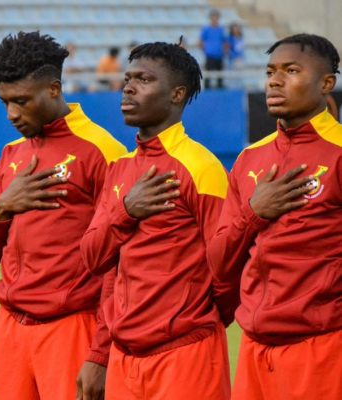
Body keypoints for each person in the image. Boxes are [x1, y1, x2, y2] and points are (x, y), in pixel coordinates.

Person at [0, 31, 127, 400]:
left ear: (54, 89)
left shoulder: (103, 152)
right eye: (4, 102)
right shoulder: (12, 154)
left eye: (21, 101)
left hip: (71, 328)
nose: (11, 114)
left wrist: (101, 353)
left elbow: (119, 265)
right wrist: (1, 209)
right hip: (10, 329)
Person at [81, 41, 231, 399]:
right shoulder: (119, 169)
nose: (129, 88)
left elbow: (228, 268)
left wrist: (193, 322)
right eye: (128, 79)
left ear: (177, 94)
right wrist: (126, 211)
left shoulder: (201, 168)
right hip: (125, 357)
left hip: (186, 354)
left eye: (144, 80)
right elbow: (94, 258)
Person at [207, 33, 342, 400]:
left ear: (326, 83)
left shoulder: (338, 153)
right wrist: (253, 214)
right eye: (270, 72)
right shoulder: (249, 159)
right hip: (254, 349)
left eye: (291, 70)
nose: (275, 81)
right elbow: (219, 262)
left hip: (322, 347)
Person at [199, 9, 227, 89]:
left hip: (219, 55)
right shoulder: (206, 29)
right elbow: (200, 42)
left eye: (216, 17)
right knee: (208, 74)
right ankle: (207, 89)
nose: (215, 19)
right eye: (213, 17)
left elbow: (224, 41)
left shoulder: (221, 29)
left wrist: (224, 50)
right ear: (210, 18)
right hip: (210, 55)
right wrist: (205, 50)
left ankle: (220, 89)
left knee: (220, 75)